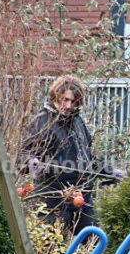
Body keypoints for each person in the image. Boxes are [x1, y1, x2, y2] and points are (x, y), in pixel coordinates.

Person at [19, 75, 100, 236]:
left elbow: (88, 157)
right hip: (53, 198)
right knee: (52, 245)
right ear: (56, 96)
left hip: (81, 195)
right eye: (65, 100)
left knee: (95, 240)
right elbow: (23, 155)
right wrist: (31, 162)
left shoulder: (78, 122)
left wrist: (109, 171)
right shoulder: (41, 122)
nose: (69, 106)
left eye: (73, 101)